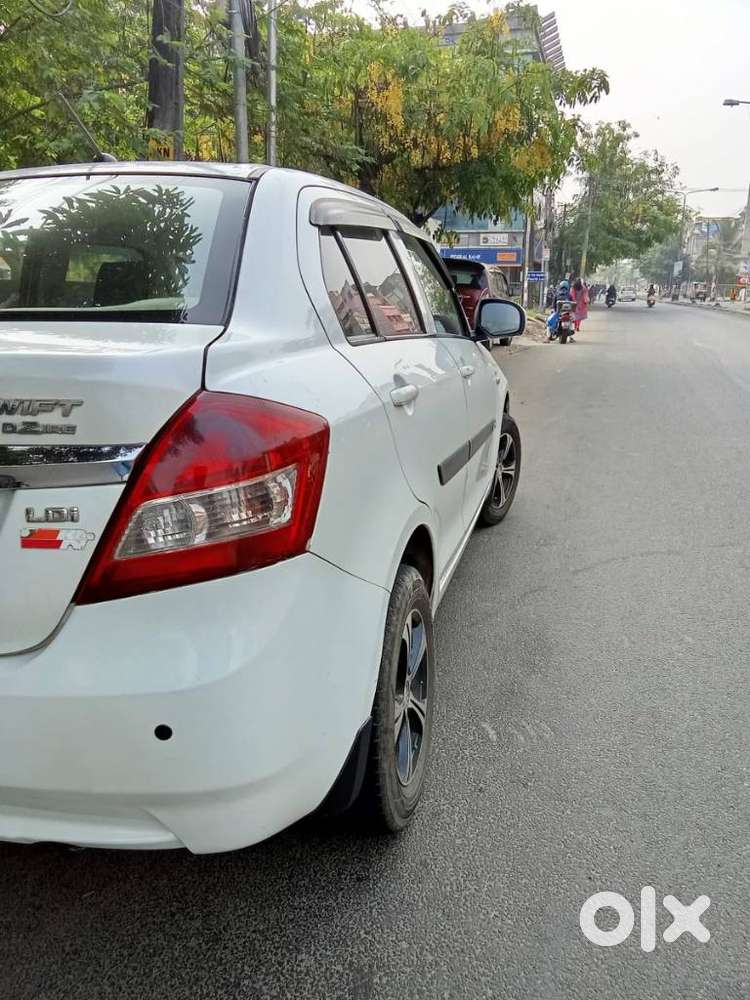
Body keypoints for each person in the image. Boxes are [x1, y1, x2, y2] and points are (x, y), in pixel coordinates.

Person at [570, 277, 589, 341]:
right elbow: (585, 294)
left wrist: (574, 301)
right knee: (579, 316)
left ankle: (575, 327)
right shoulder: (583, 287)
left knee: (575, 315)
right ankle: (577, 326)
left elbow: (572, 295)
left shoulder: (573, 287)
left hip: (575, 302)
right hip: (581, 303)